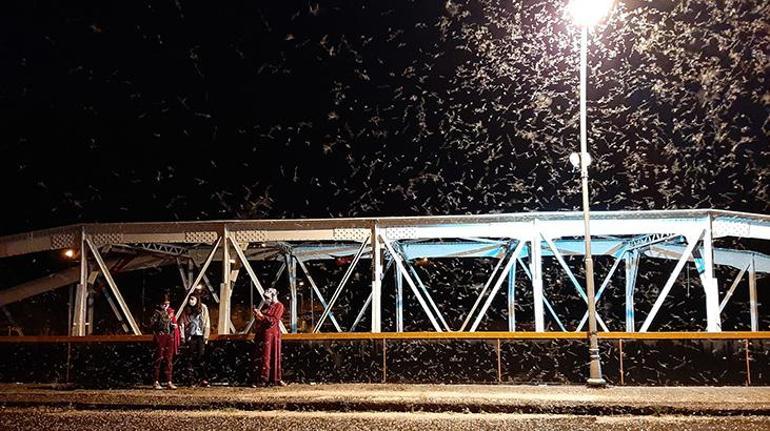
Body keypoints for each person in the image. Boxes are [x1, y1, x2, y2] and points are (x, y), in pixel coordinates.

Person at [252, 288, 286, 387]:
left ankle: (271, 378)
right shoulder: (269, 307)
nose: (266, 300)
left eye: (267, 297)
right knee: (265, 356)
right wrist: (258, 316)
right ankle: (267, 378)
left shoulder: (279, 306)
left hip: (272, 335)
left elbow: (273, 320)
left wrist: (261, 316)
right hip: (267, 335)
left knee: (270, 355)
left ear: (273, 296)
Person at [179, 289, 211, 387]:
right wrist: (183, 336)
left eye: (192, 299)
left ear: (197, 299)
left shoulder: (203, 308)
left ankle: (203, 379)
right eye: (189, 299)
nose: (191, 301)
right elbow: (182, 324)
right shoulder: (186, 310)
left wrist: (206, 336)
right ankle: (191, 380)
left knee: (201, 356)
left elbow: (207, 322)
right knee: (190, 358)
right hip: (191, 337)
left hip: (200, 336)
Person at [150, 292, 181, 390]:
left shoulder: (170, 312)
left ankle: (169, 381)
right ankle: (156, 381)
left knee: (169, 359)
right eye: (164, 304)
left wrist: (174, 326)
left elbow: (171, 323)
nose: (165, 306)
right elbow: (152, 324)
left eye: (167, 304)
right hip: (160, 336)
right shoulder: (157, 312)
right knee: (158, 359)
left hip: (169, 336)